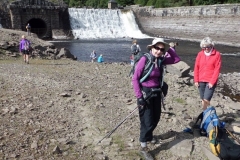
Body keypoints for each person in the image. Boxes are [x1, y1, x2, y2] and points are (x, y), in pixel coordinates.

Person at [132, 38, 180, 158]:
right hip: (146, 93)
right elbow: (135, 79)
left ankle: (149, 136)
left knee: (156, 117)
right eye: (156, 48)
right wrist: (139, 97)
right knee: (147, 121)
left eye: (161, 49)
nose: (158, 51)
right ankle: (143, 146)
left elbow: (176, 59)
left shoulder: (160, 60)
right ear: (152, 48)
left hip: (157, 92)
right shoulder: (144, 59)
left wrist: (170, 48)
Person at [194, 37, 221, 110]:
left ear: (211, 46)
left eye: (208, 47)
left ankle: (206, 111)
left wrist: (212, 82)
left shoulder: (217, 54)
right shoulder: (200, 54)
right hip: (201, 80)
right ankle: (205, 112)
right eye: (204, 47)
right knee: (203, 99)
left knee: (206, 99)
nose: (206, 48)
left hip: (210, 81)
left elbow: (217, 69)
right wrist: (196, 80)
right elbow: (196, 67)